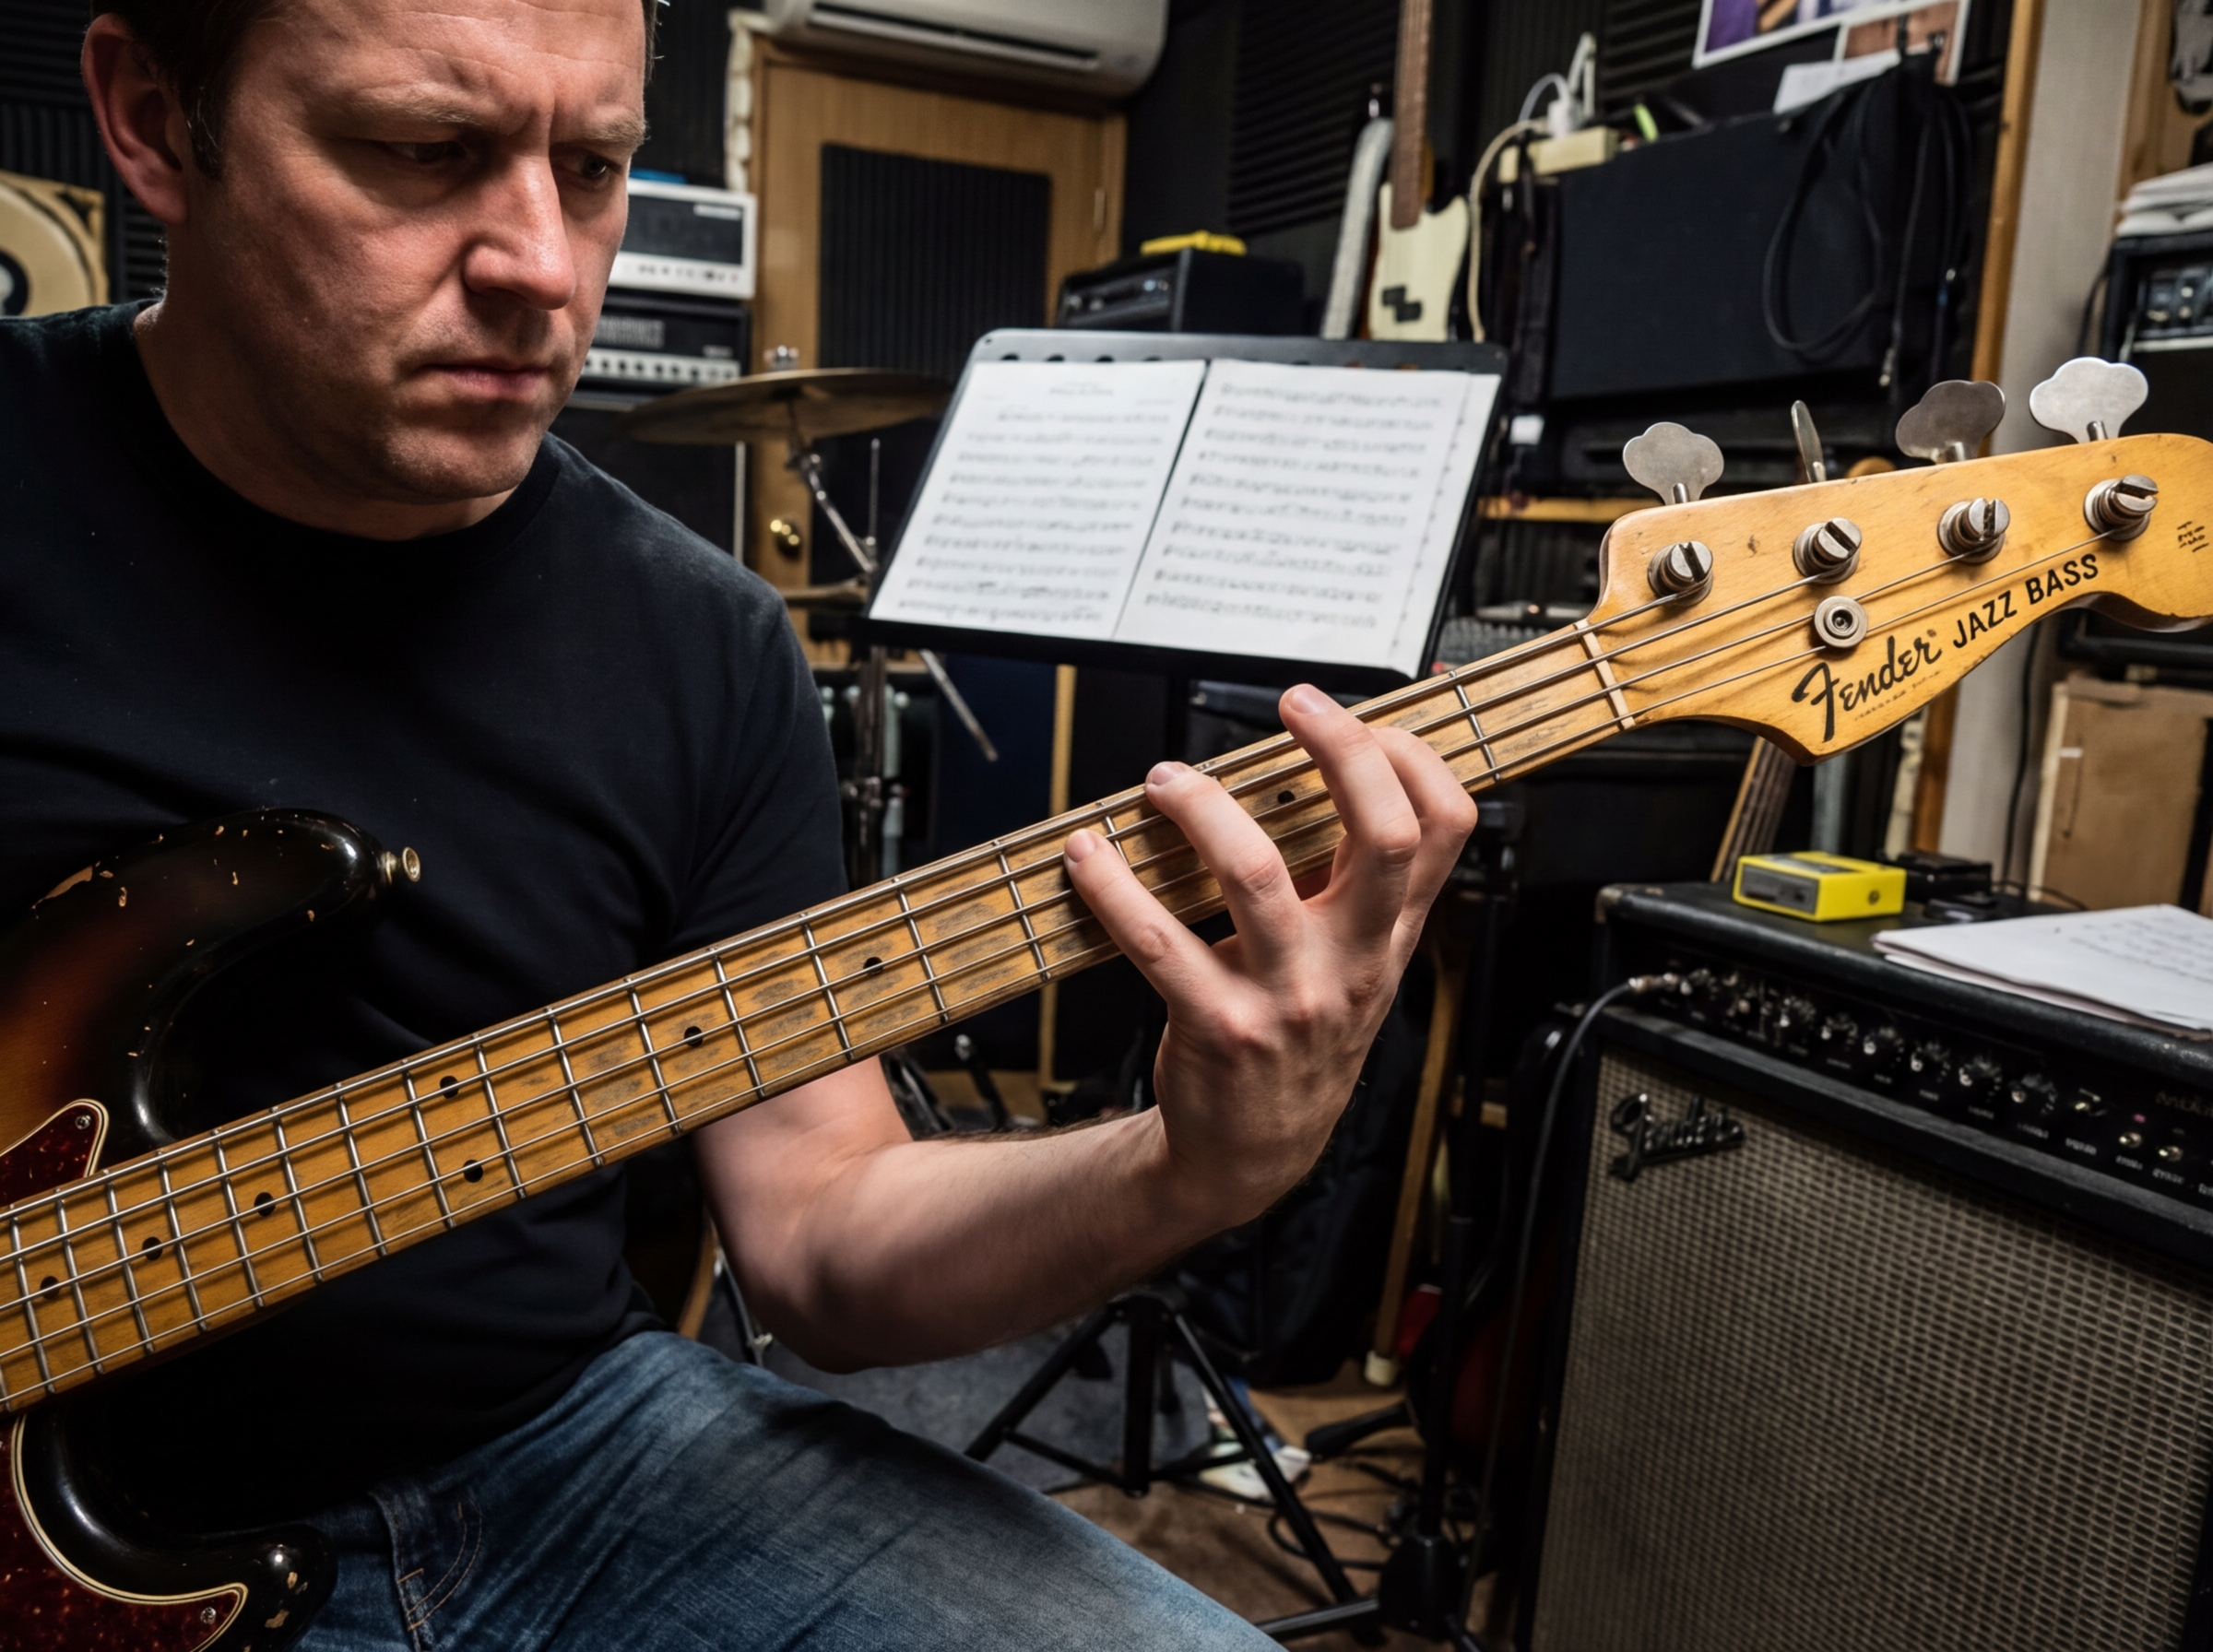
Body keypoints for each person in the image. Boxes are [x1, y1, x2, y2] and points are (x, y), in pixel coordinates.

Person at [0, 0, 1475, 1644]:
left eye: (598, 165)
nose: (544, 269)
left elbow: (826, 1234)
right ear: (148, 120)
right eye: (423, 152)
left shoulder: (701, 641)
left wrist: (1187, 1163)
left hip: (571, 1462)